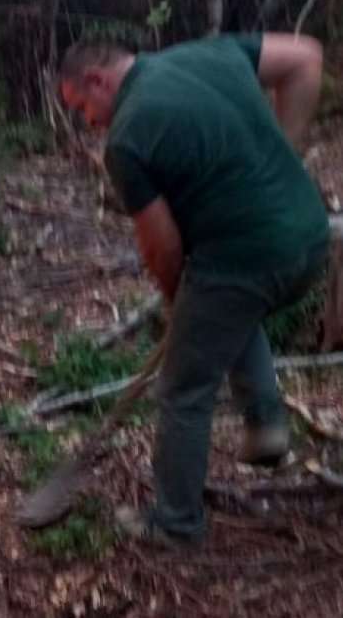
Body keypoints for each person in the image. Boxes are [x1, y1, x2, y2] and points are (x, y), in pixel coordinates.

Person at [53, 33, 329, 546]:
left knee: (183, 389)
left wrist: (176, 299)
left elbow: (161, 247)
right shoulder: (211, 53)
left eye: (83, 107)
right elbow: (307, 57)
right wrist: (282, 152)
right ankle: (266, 429)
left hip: (247, 257)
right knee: (226, 312)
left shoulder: (129, 136)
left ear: (98, 79)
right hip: (311, 242)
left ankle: (176, 524)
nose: (88, 121)